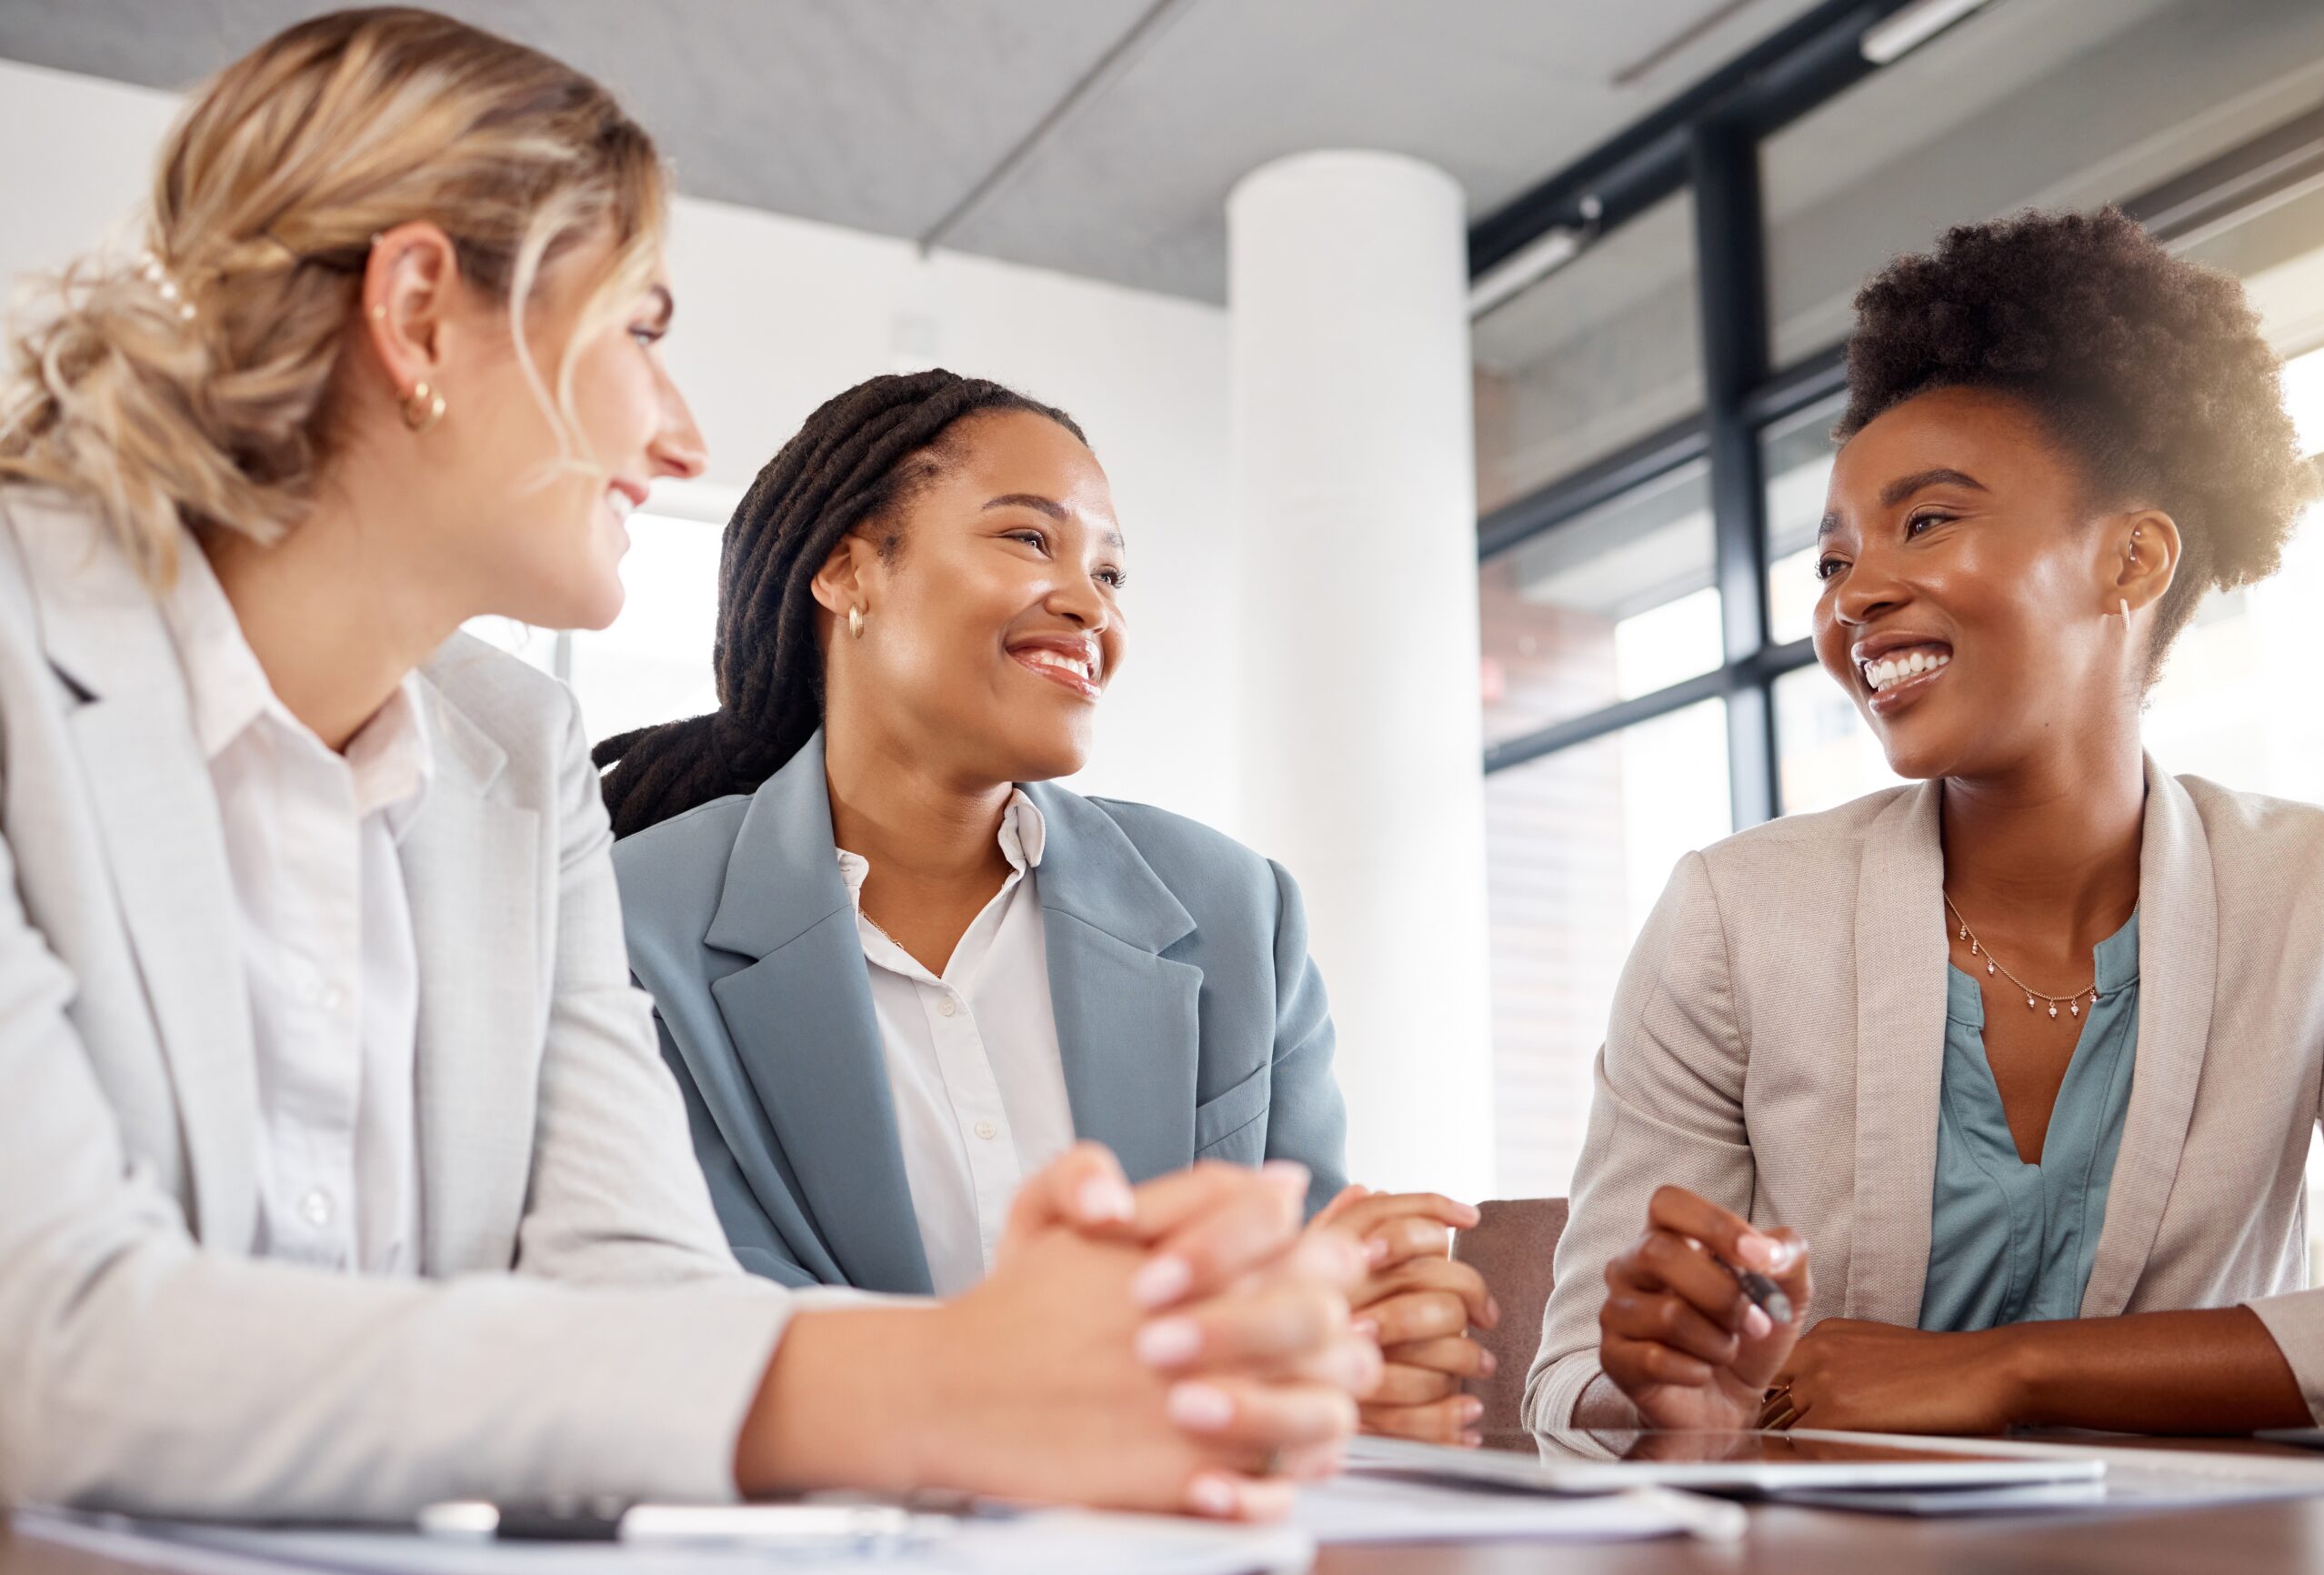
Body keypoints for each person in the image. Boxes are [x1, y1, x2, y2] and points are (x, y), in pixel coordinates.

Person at [0, 6, 1377, 1523]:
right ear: (415, 316)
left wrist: (1105, 1358)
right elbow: (45, 1341)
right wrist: (951, 1386)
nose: (679, 436)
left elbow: (640, 1279)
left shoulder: (518, 763)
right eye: (642, 331)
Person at [1524, 207, 2324, 1438]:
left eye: (1930, 520)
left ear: (2134, 559)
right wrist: (1663, 1385)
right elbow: (1573, 1381)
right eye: (1833, 562)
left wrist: (2013, 1368)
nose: (1859, 595)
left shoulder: (2307, 896)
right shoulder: (1737, 916)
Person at [597, 369, 1499, 1445]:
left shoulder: (1234, 916)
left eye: (1110, 570)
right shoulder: (629, 923)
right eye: (1031, 540)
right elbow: (688, 1319)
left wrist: (1361, 1344)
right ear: (847, 570)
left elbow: (1296, 1293)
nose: (1091, 603)